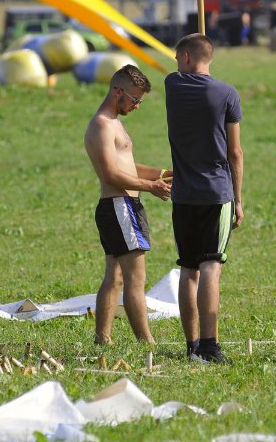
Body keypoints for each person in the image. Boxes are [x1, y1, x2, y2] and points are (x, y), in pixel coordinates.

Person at [165, 33, 244, 364]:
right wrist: (238, 199)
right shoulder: (227, 94)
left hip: (183, 194)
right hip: (216, 192)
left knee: (188, 268)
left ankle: (192, 344)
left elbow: (182, 75)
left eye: (177, 57)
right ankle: (210, 346)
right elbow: (234, 152)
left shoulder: (172, 85)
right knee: (211, 265)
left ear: (185, 57)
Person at [84, 65, 172, 346]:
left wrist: (163, 174)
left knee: (116, 277)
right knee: (136, 278)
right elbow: (111, 174)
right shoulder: (102, 125)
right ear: (117, 91)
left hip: (119, 206)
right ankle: (146, 342)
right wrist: (151, 187)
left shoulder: (114, 122)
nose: (137, 106)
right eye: (135, 99)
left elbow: (129, 167)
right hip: (120, 206)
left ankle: (103, 339)